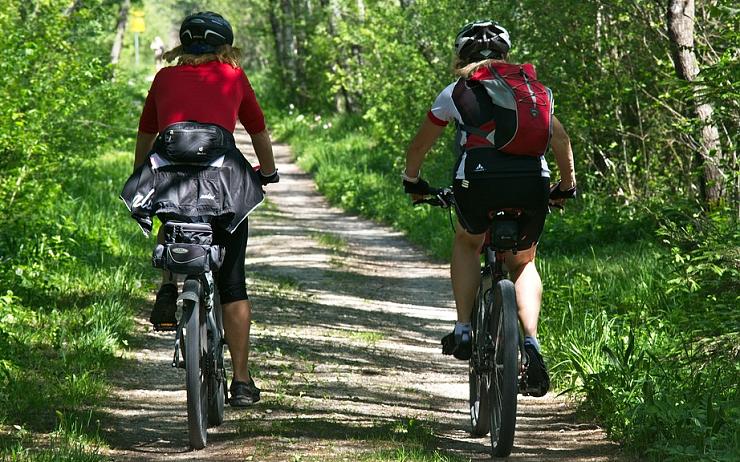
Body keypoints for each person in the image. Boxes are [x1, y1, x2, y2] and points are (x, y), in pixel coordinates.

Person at [402, 20, 576, 397]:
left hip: (477, 182)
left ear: (460, 56)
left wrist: (413, 182)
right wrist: (566, 187)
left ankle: (464, 329)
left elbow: (419, 147)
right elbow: (559, 137)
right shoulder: (530, 90)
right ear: (505, 55)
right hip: (532, 182)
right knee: (524, 262)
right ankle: (531, 343)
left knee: (468, 241)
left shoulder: (455, 92)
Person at [132, 11, 278, 407]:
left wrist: (140, 174)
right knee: (233, 283)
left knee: (170, 211)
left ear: (183, 45)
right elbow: (258, 130)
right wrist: (268, 172)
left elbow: (147, 134)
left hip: (171, 179)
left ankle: (167, 285)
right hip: (223, 185)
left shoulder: (163, 78)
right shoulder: (232, 76)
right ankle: (243, 382)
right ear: (224, 47)